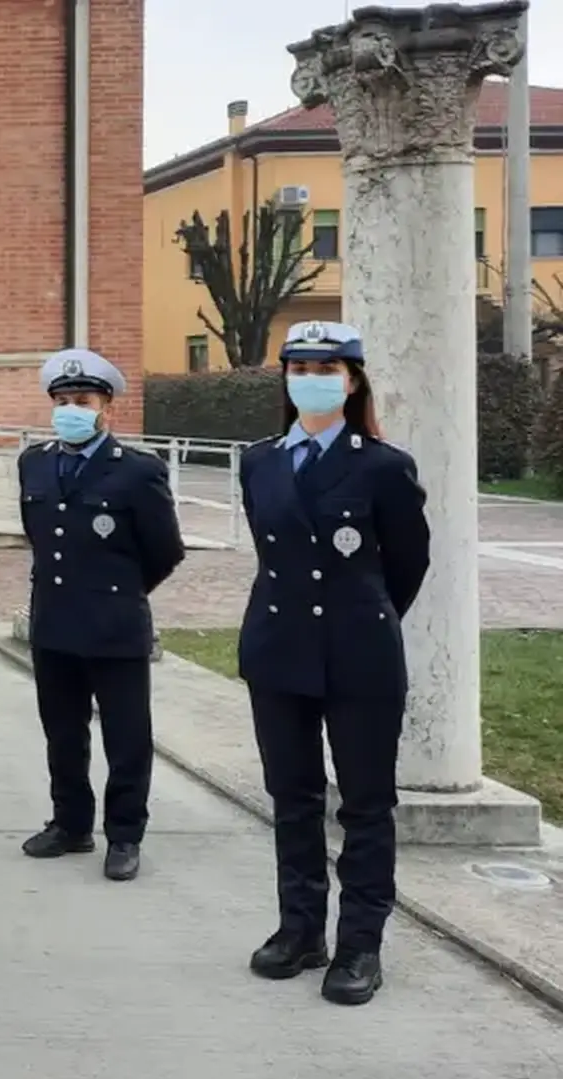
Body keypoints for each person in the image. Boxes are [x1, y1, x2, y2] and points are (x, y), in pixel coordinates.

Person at [235, 321, 429, 1007]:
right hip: (278, 650)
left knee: (366, 806)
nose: (312, 376)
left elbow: (405, 566)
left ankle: (359, 946)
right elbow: (273, 554)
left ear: (352, 380)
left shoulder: (383, 466)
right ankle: (300, 929)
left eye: (327, 366)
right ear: (285, 378)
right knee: (292, 799)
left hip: (360, 658)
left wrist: (360, 618)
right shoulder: (259, 461)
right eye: (299, 365)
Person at [16, 348, 186, 881]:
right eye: (62, 400)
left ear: (105, 407)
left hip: (115, 628)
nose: (71, 409)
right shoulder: (35, 462)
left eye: (82, 400)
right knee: (63, 733)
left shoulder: (137, 471)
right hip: (54, 625)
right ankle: (70, 824)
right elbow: (38, 536)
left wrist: (120, 593)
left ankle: (125, 835)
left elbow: (165, 549)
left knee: (126, 738)